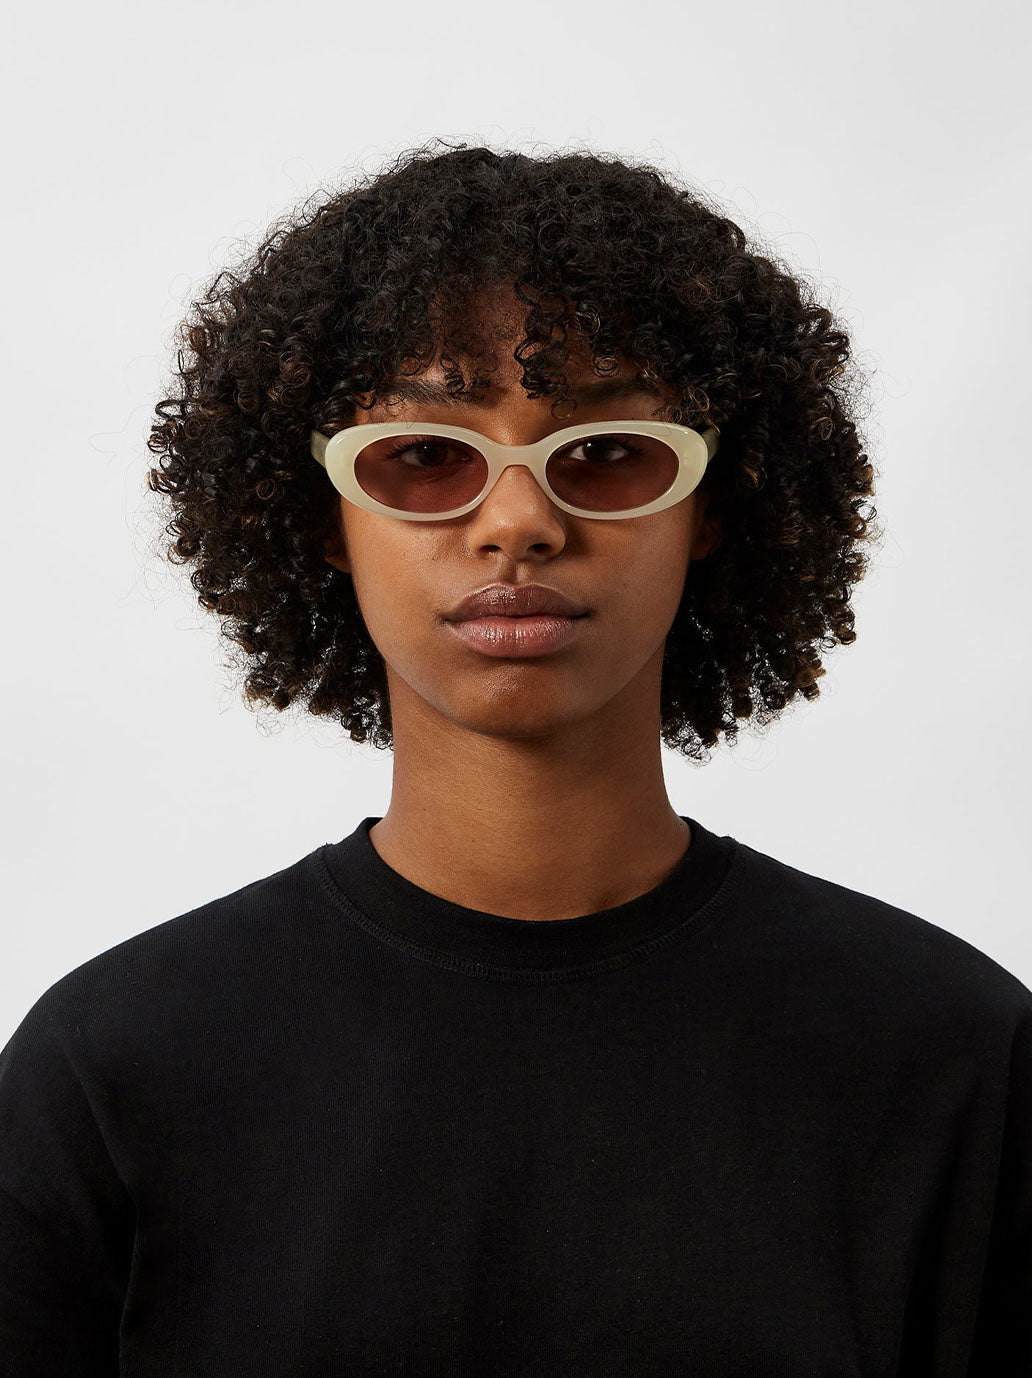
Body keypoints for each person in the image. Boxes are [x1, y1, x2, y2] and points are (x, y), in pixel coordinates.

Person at [2, 140, 1029, 1375]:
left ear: (711, 504)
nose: (521, 521)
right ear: (326, 516)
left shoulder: (951, 1059)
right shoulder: (112, 1070)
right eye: (425, 456)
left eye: (607, 451)